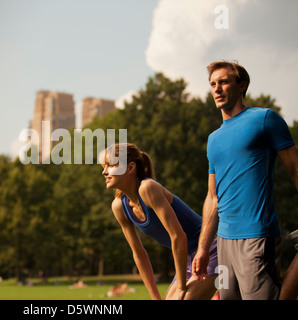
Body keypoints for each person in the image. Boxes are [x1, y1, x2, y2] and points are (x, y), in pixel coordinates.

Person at [192, 60, 298, 300]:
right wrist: (203, 248)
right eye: (213, 84)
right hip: (224, 243)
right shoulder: (213, 139)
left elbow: (295, 167)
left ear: (242, 86)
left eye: (224, 82)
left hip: (257, 236)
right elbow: (212, 197)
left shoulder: (265, 119)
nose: (217, 89)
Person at [101, 143, 218, 300]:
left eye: (111, 165)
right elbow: (139, 253)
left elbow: (178, 236)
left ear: (130, 168)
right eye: (104, 166)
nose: (104, 172)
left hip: (211, 250)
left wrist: (182, 288)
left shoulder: (148, 188)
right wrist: (155, 297)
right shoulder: (119, 207)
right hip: (186, 259)